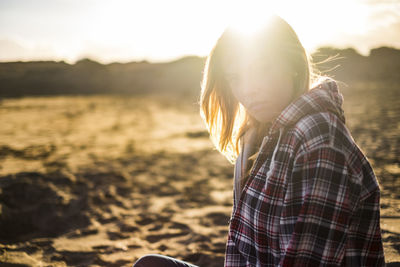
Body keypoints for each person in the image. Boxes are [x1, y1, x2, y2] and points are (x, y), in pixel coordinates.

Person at [198, 13, 385, 266]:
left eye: (262, 69)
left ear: (293, 65)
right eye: (235, 78)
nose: (248, 89)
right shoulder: (259, 137)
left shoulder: (318, 139)